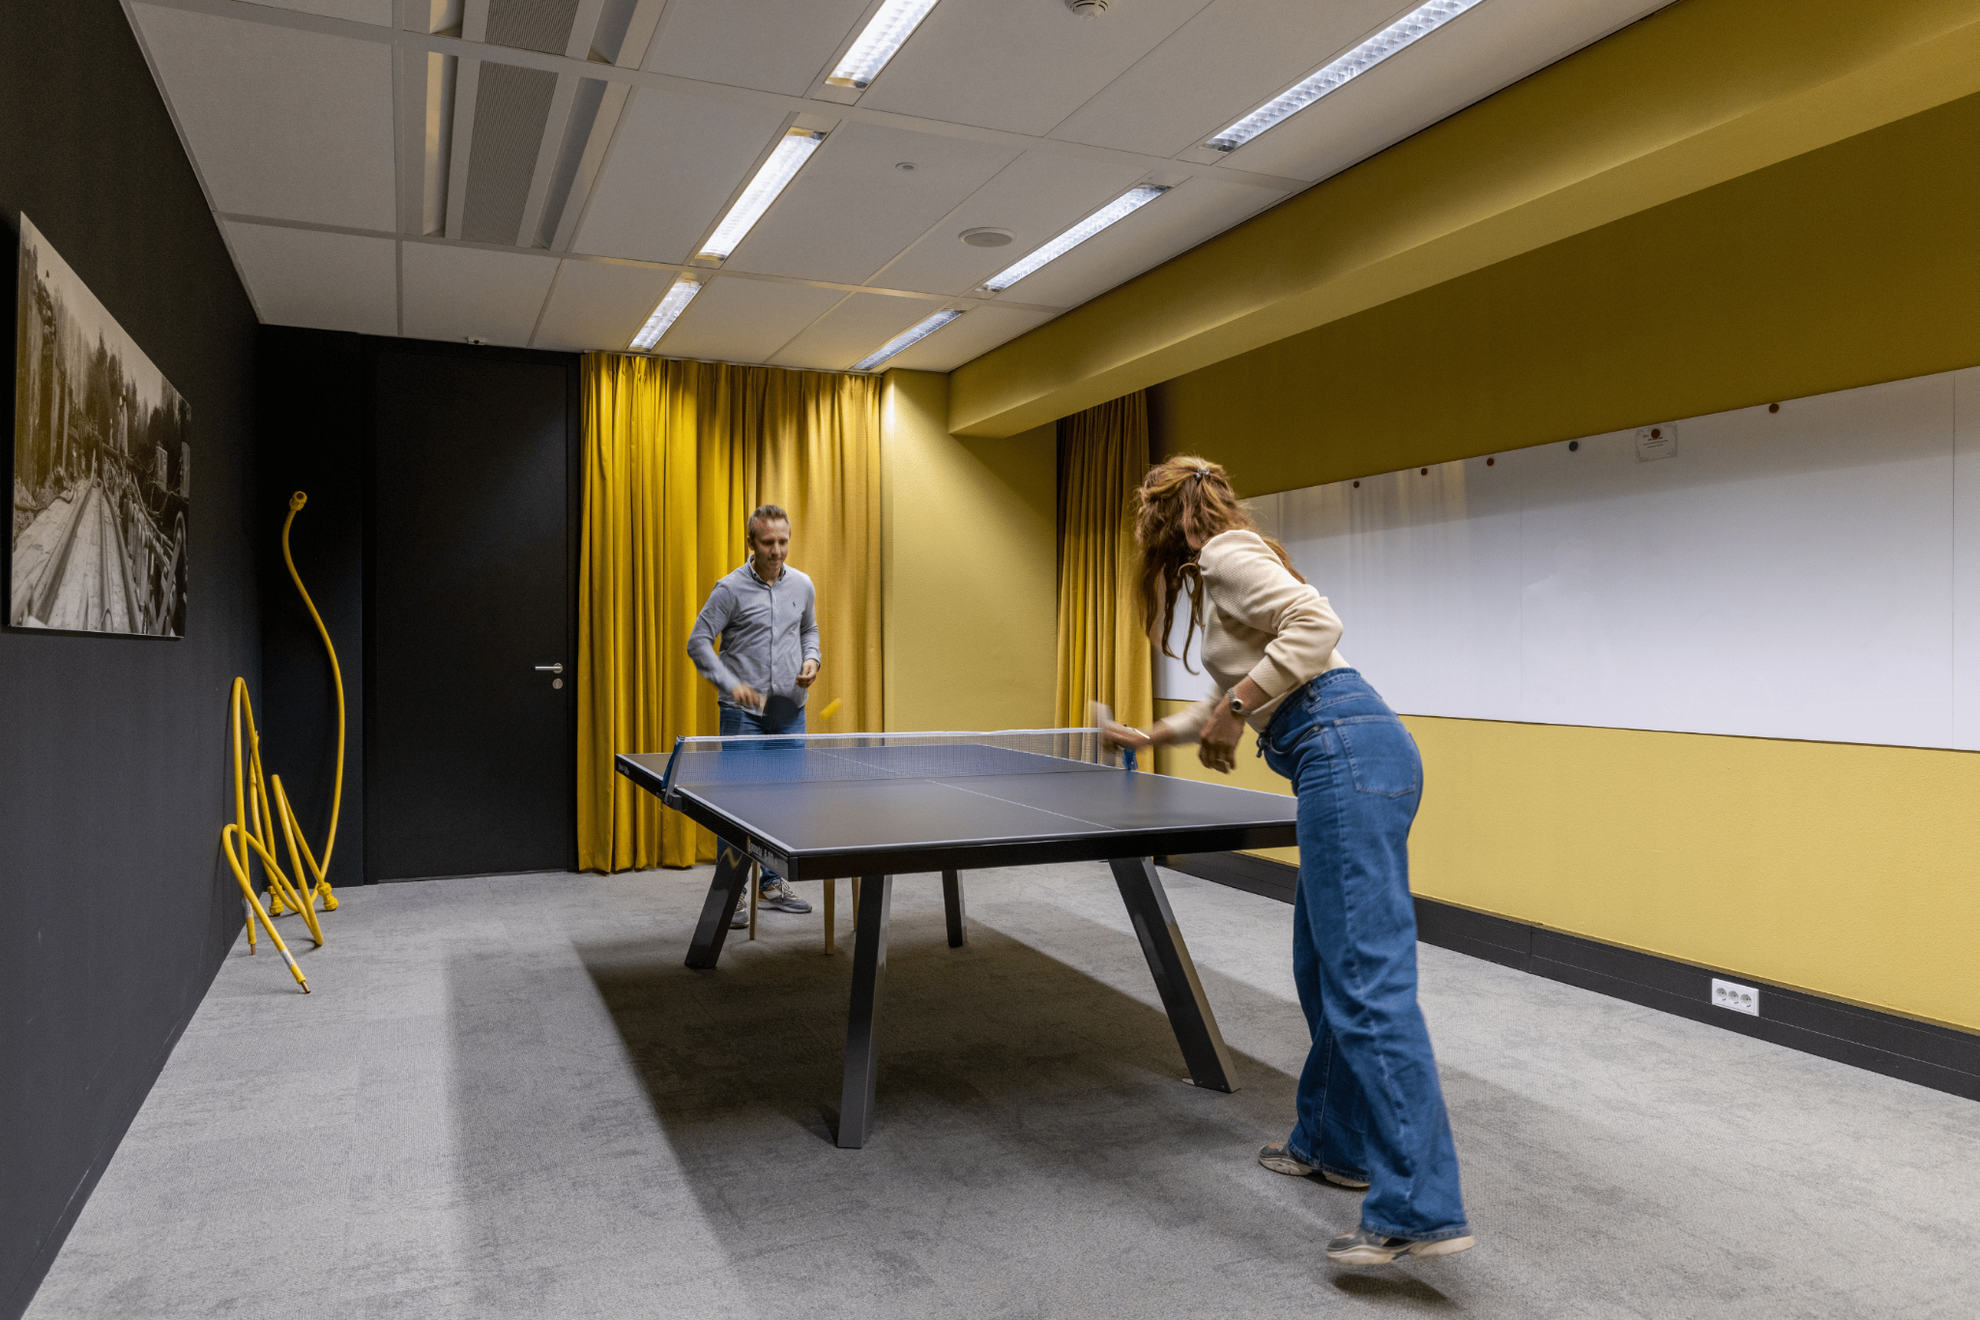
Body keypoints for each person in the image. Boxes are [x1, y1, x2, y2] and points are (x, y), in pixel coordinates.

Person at [1101, 456, 1473, 1266]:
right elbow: (1239, 684)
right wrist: (1160, 733)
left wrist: (1234, 714)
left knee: (1367, 980)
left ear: (1169, 515)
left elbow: (1318, 626)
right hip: (1343, 749)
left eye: (1142, 517)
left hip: (1343, 744)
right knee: (1322, 964)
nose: (1138, 533)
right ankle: (1335, 1146)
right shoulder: (1220, 569)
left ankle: (1419, 1208)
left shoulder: (1228, 554)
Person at [687, 503, 821, 927]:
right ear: (751, 543)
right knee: (736, 806)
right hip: (742, 714)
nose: (777, 550)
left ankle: (771, 881)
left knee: (781, 803)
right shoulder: (728, 589)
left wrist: (812, 661)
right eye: (768, 542)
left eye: (783, 541)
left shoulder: (802, 584)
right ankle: (733, 890)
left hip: (789, 713)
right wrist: (730, 685)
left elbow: (809, 631)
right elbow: (698, 642)